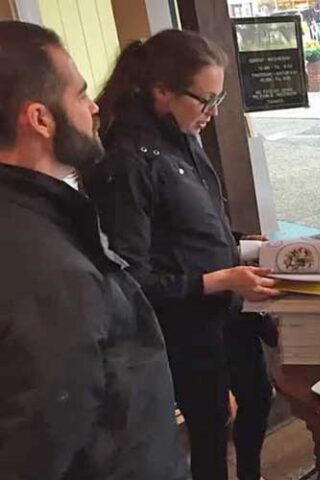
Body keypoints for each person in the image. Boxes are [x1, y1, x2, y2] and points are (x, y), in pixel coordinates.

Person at [82, 30, 280, 480]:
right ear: (161, 91)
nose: (214, 112)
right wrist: (222, 279)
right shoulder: (126, 161)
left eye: (219, 97)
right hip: (187, 323)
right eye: (204, 100)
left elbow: (193, 224)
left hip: (229, 306)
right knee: (210, 425)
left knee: (259, 395)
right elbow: (132, 280)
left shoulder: (181, 134)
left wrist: (246, 244)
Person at [0, 21, 187, 479]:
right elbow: (42, 436)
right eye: (80, 94)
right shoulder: (43, 263)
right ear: (40, 118)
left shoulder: (39, 214)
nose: (94, 105)